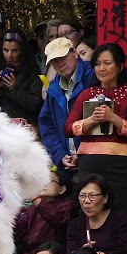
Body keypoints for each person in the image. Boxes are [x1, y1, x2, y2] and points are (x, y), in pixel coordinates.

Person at [65, 43, 127, 217]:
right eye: (97, 64)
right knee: (88, 208)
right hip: (90, 160)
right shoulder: (86, 94)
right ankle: (88, 244)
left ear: (120, 66)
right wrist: (92, 120)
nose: (102, 68)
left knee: (122, 209)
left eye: (108, 63)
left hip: (122, 162)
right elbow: (68, 128)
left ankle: (121, 245)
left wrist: (113, 118)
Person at [39, 38, 95, 179]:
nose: (60, 64)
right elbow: (47, 127)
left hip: (95, 160)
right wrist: (60, 155)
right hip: (68, 165)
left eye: (63, 57)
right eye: (55, 61)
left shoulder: (94, 76)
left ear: (75, 53)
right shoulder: (53, 88)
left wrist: (83, 153)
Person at [66, 175, 127, 254]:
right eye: (82, 196)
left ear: (105, 198)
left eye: (92, 196)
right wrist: (82, 253)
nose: (87, 201)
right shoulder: (75, 224)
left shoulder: (121, 220)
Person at [0, 31, 44, 122]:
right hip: (0, 125)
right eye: (6, 50)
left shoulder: (32, 73)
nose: (9, 55)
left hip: (24, 126)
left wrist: (14, 89)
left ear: (21, 51)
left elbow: (36, 105)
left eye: (14, 51)